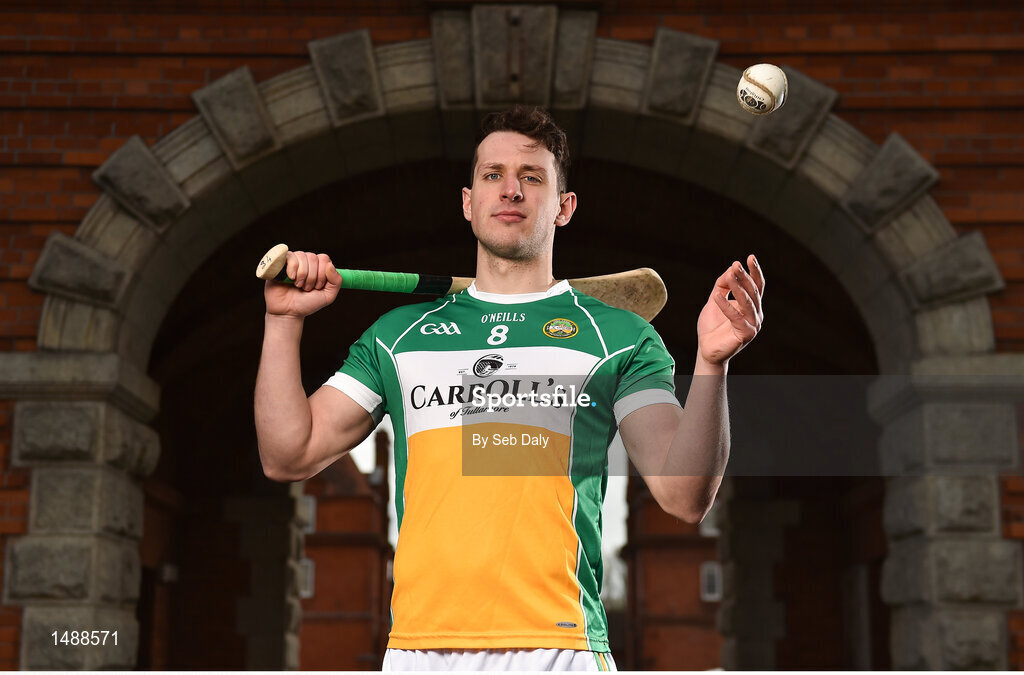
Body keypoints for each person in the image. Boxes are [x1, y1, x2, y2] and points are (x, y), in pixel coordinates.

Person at [254, 105, 765, 671]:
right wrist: (283, 322)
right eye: (492, 174)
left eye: (532, 177)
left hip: (560, 650)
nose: (511, 189)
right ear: (468, 202)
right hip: (420, 650)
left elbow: (684, 495)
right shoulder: (397, 337)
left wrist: (712, 364)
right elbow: (287, 454)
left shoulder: (618, 336)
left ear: (564, 207)